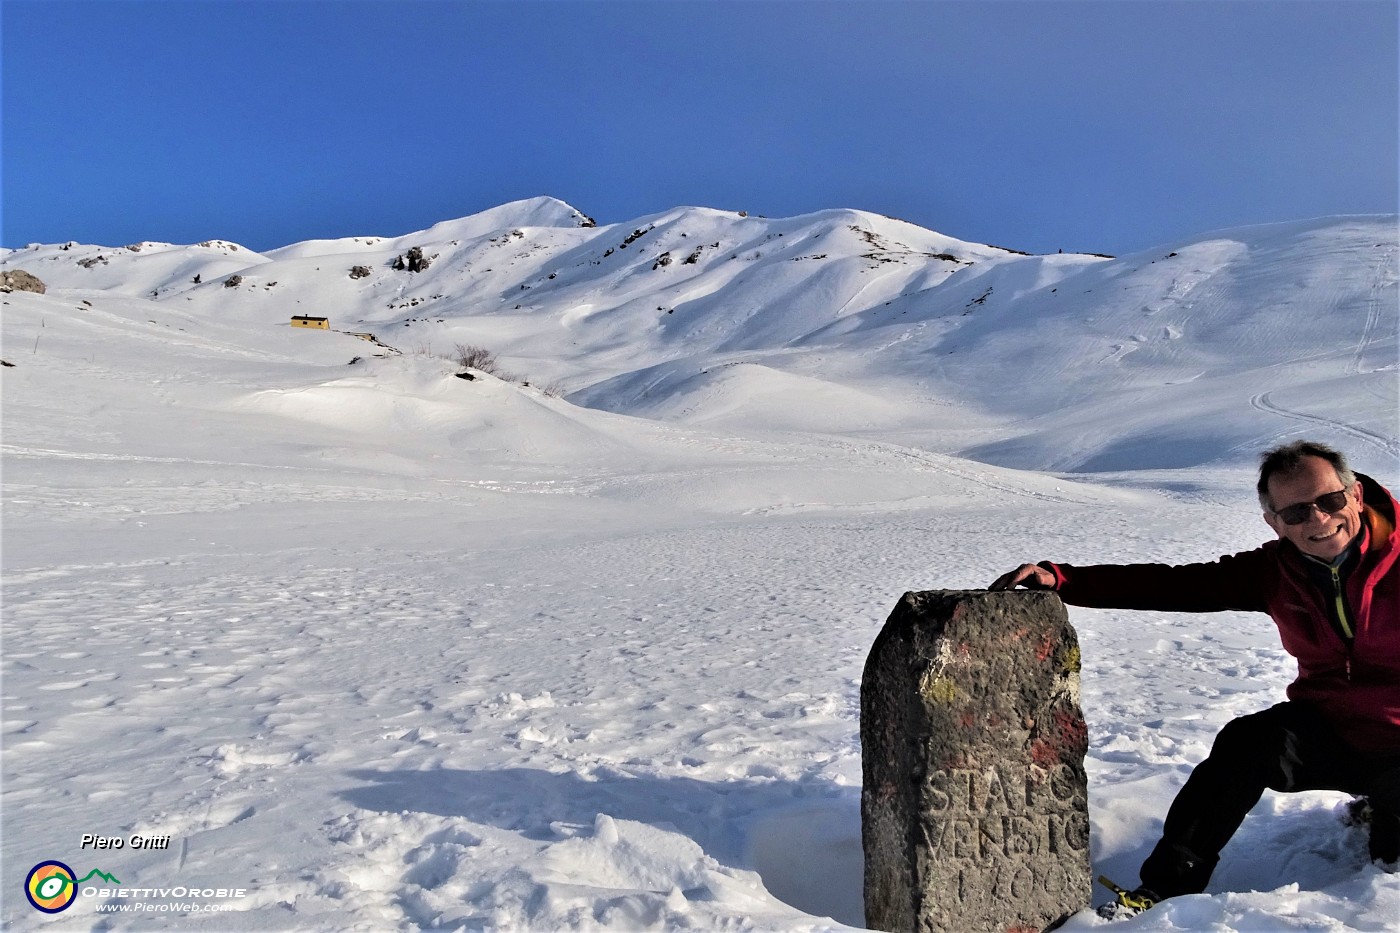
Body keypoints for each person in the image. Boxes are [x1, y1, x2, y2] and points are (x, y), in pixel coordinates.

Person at [989, 440, 1399, 916]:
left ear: (1355, 495)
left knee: (1389, 861)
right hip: (1331, 732)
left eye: (1329, 501)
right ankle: (1163, 889)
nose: (1319, 520)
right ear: (1274, 522)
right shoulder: (1274, 571)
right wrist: (1064, 579)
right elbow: (1175, 583)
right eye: (1296, 513)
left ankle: (1382, 813)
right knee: (1247, 743)